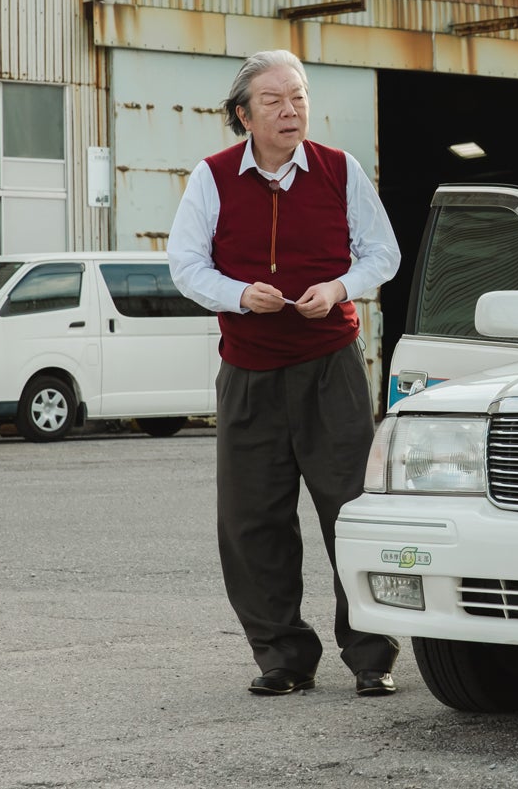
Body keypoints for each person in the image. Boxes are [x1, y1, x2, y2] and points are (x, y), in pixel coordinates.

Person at [168, 48, 400, 698]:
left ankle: (371, 653)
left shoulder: (338, 169)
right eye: (274, 99)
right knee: (251, 518)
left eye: (297, 96)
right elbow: (185, 264)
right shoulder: (211, 178)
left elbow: (384, 251)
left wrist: (339, 285)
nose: (290, 109)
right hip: (248, 372)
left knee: (351, 510)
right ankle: (283, 655)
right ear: (243, 114)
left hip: (331, 368)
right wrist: (239, 293)